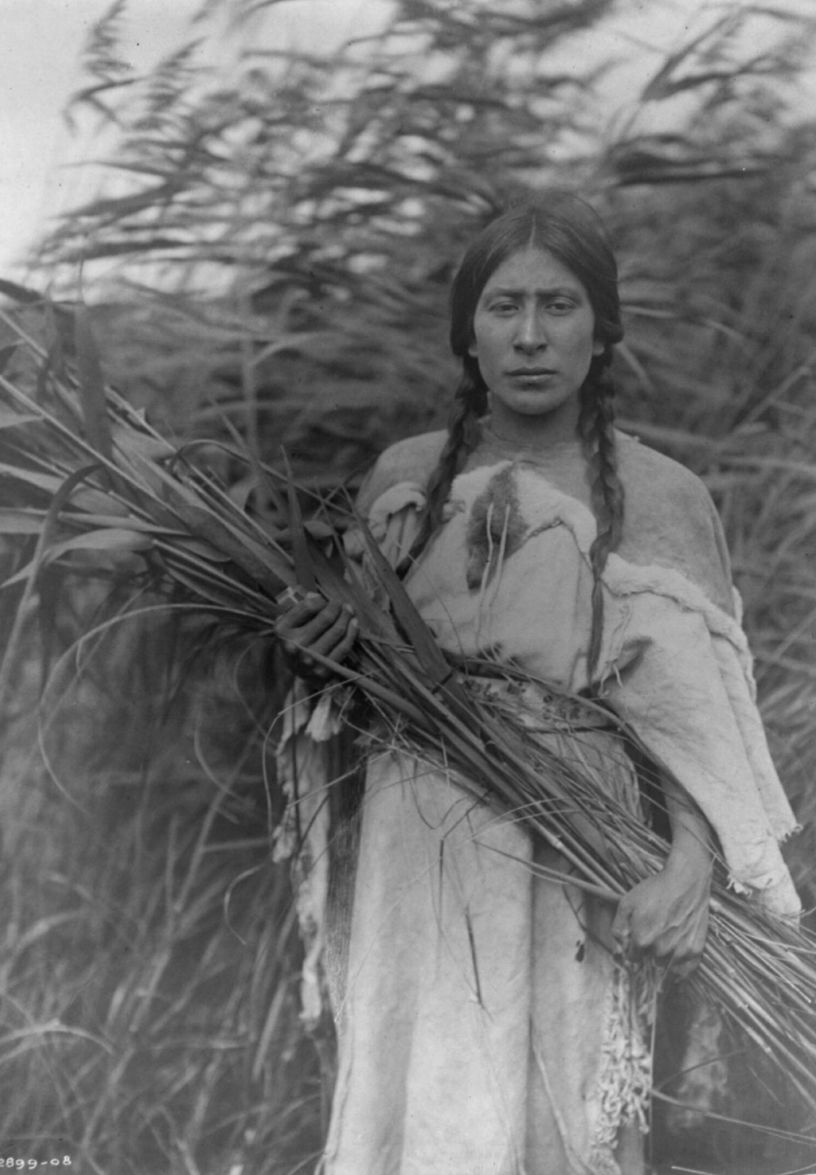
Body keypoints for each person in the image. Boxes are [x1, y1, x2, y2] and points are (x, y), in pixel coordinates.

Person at [273, 193, 801, 1175]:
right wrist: (315, 659)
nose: (528, 335)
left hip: (578, 859)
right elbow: (352, 695)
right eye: (502, 306)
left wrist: (688, 868)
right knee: (425, 1117)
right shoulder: (402, 482)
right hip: (415, 855)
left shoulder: (661, 497)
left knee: (564, 1119)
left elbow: (704, 732)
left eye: (557, 306)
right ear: (465, 332)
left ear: (601, 331)